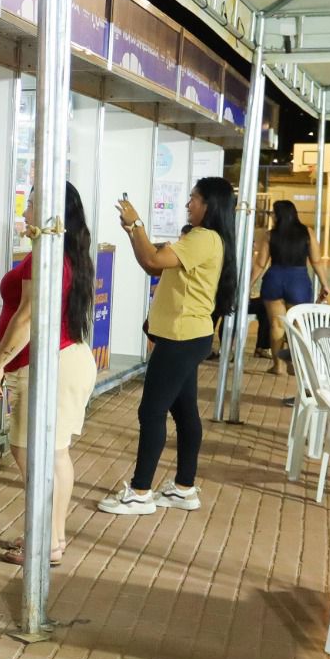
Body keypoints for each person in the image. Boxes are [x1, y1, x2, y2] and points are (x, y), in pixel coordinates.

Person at [101, 177, 235, 516]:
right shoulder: (204, 239)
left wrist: (137, 224)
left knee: (151, 411)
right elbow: (151, 263)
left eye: (194, 199)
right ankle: (183, 488)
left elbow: (154, 259)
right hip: (186, 336)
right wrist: (133, 232)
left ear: (210, 205)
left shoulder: (204, 238)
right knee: (185, 412)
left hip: (181, 338)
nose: (188, 204)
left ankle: (140, 492)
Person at [0, 183, 99, 566]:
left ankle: (46, 541)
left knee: (33, 455)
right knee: (52, 455)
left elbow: (28, 316)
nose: (26, 210)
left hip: (49, 365)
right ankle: (52, 537)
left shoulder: (47, 255)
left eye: (32, 203)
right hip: (64, 360)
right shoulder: (66, 253)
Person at [252, 200, 330, 375]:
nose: (272, 216)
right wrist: (324, 284)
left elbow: (260, 264)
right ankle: (296, 365)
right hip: (298, 281)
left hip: (274, 279)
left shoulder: (270, 235)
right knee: (298, 326)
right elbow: (316, 261)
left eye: (274, 213)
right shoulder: (307, 233)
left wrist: (248, 284)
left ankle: (278, 366)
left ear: (278, 215)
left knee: (276, 325)